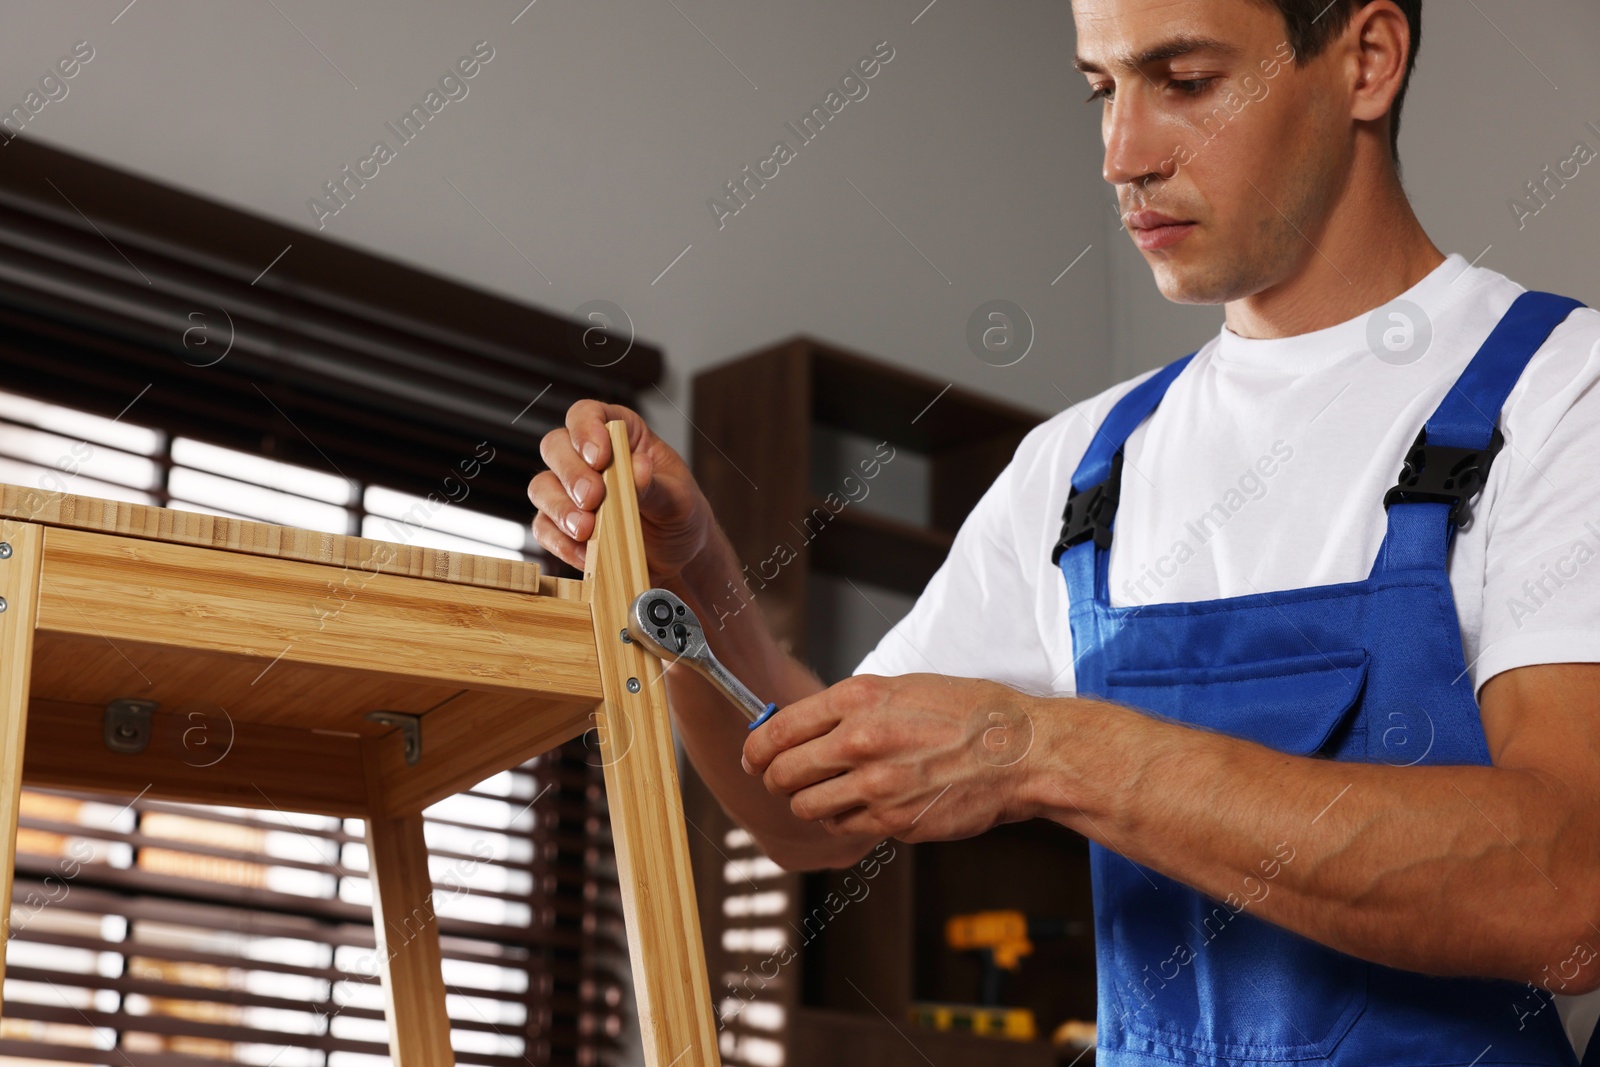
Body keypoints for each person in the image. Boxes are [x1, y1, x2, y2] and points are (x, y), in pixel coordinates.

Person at [528, 1, 1600, 1063]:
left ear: (1365, 60)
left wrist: (1040, 747)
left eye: (1184, 81)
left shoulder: (1560, 394)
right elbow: (812, 817)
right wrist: (694, 580)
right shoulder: (1084, 465)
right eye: (1101, 88)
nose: (1120, 155)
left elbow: (1569, 888)